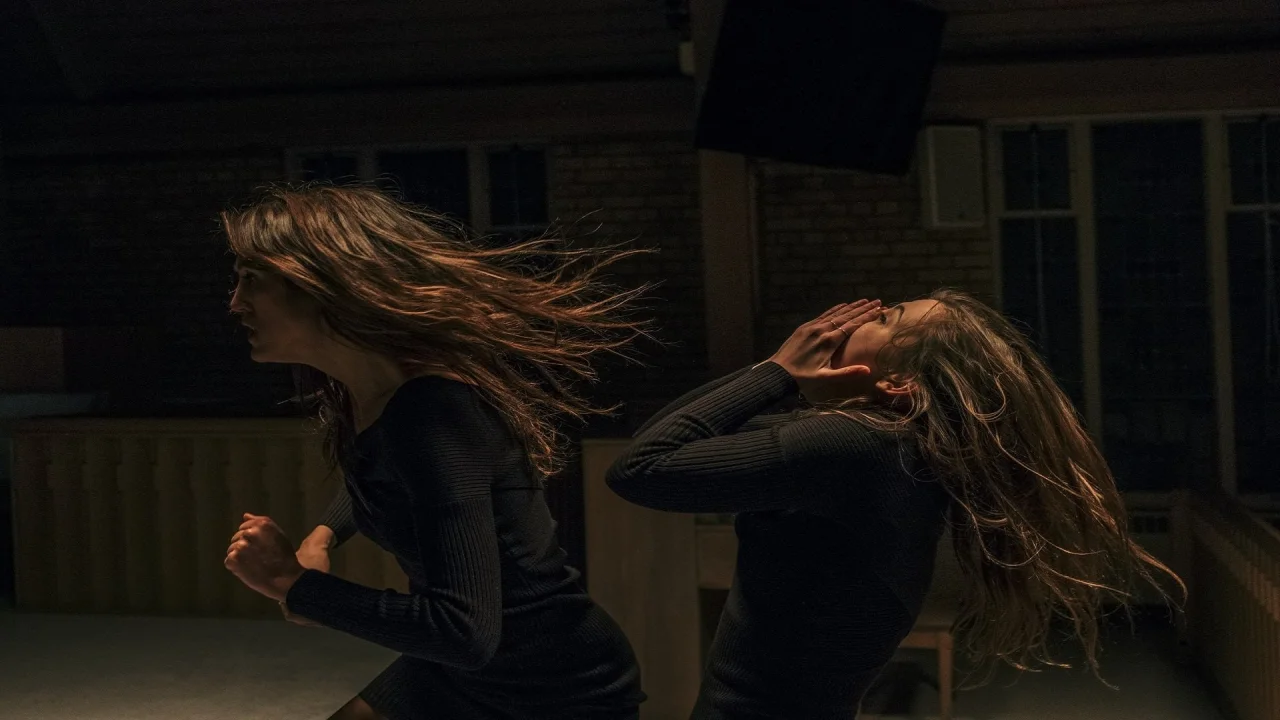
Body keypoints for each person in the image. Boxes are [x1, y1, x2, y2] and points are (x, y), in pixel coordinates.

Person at [606, 291, 1183, 719]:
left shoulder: (857, 446)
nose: (859, 318)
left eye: (884, 319)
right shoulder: (893, 448)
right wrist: (781, 378)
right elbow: (695, 436)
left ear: (899, 383)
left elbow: (641, 466)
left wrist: (778, 370)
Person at [219, 184, 649, 720]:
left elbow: (462, 630)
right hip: (464, 669)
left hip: (552, 683)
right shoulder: (370, 395)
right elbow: (385, 477)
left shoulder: (433, 413)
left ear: (319, 280)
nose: (235, 303)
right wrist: (324, 534)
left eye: (250, 280)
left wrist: (294, 584)